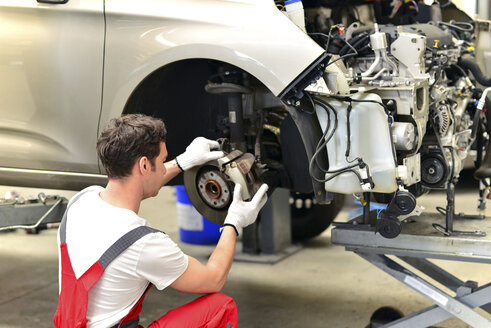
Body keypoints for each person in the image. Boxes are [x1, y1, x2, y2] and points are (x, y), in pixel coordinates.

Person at [53, 114, 269, 328]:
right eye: (163, 160)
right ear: (145, 165)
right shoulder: (143, 243)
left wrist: (184, 162)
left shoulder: (82, 201)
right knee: (220, 307)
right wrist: (234, 222)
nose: (166, 165)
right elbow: (213, 279)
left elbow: (136, 186)